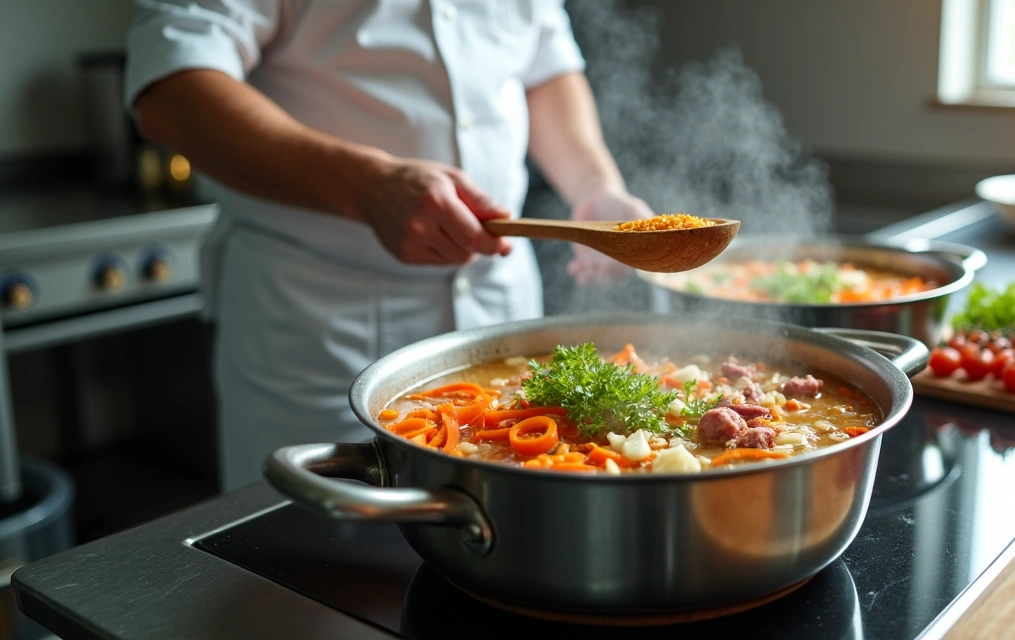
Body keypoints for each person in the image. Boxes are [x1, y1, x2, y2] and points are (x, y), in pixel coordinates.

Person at [124, 0, 653, 490]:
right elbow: (172, 89)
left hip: (500, 307)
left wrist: (593, 186)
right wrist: (366, 186)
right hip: (322, 329)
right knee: (316, 562)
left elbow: (543, 66)